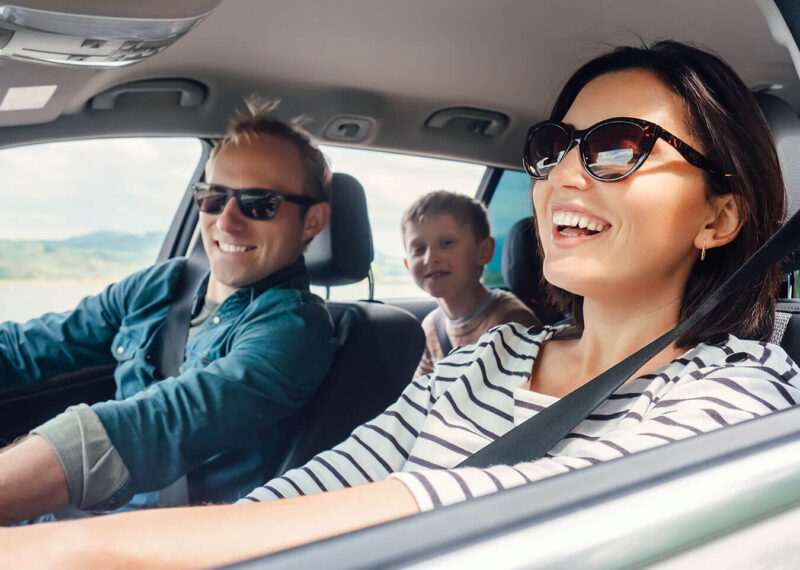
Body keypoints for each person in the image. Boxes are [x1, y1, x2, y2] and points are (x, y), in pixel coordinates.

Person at [3, 40, 799, 567]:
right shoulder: (490, 356)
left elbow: (527, 508)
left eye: (617, 148)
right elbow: (331, 483)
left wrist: (89, 552)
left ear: (719, 216)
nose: (562, 175)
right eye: (554, 147)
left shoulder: (743, 392)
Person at [0, 98, 338, 524]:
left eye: (259, 203)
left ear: (312, 222)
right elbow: (29, 346)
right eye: (214, 198)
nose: (227, 221)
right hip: (83, 516)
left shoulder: (294, 328)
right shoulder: (162, 285)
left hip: (158, 537)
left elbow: (155, 426)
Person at [401, 190, 539, 377]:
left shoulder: (511, 321)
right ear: (407, 265)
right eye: (419, 249)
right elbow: (421, 390)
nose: (430, 258)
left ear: (484, 252)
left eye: (446, 243)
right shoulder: (431, 326)